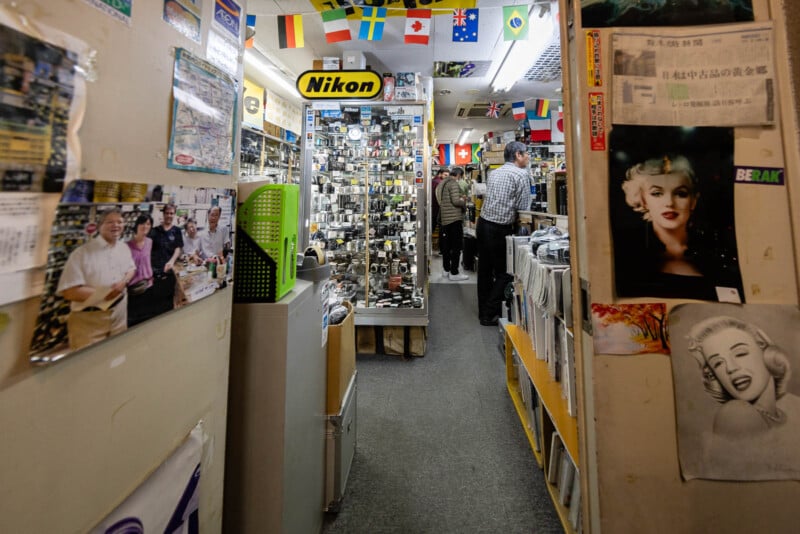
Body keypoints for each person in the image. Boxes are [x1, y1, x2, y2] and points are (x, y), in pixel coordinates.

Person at [687, 315, 800, 438]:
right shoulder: (736, 414)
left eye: (740, 354)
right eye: (718, 363)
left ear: (765, 350)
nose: (730, 368)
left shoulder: (793, 405)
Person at [56, 208, 136, 351]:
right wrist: (105, 294)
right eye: (110, 222)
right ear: (99, 226)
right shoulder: (81, 253)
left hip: (119, 313)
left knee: (116, 357)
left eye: (119, 222)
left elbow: (131, 269)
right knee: (88, 366)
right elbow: (69, 292)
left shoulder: (123, 248)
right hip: (89, 318)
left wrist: (123, 283)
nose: (116, 225)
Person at [476, 141, 531, 326]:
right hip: (499, 228)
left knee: (484, 270)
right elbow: (524, 209)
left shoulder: (494, 172)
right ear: (518, 155)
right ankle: (490, 313)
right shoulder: (522, 174)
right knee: (505, 272)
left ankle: (483, 311)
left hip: (483, 224)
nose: (528, 157)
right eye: (526, 154)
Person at [622, 155, 700, 276]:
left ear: (693, 201)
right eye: (657, 193)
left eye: (680, 194)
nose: (669, 203)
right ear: (643, 201)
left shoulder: (714, 253)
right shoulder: (627, 253)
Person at [149, 203, 183, 315]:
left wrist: (172, 261)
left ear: (174, 215)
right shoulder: (154, 231)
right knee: (155, 304)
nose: (169, 215)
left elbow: (178, 248)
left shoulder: (177, 231)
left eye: (171, 213)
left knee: (168, 304)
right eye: (167, 213)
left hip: (169, 272)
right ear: (163, 214)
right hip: (155, 272)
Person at [436, 166, 469, 281]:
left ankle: (446, 270)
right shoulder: (453, 183)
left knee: (446, 246)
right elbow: (455, 201)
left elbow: (441, 198)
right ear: (459, 175)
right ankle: (454, 272)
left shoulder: (443, 183)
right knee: (456, 246)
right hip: (454, 219)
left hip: (445, 219)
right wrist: (463, 200)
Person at [126, 214, 155, 327]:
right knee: (132, 322)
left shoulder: (150, 242)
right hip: (133, 289)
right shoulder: (127, 246)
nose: (145, 226)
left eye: (148, 224)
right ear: (137, 225)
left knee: (146, 321)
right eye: (142, 223)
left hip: (148, 286)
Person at [430, 169, 446, 256]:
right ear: (440, 174)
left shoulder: (432, 181)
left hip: (432, 210)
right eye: (445, 175)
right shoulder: (440, 183)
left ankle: (428, 247)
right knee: (442, 230)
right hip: (438, 210)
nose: (446, 177)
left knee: (430, 229)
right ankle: (442, 250)